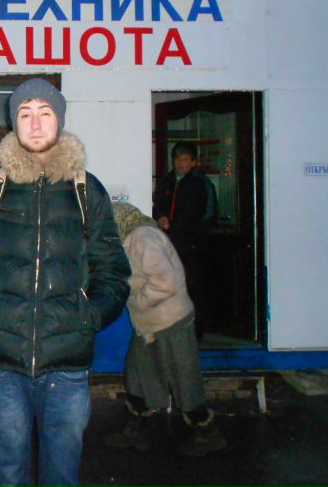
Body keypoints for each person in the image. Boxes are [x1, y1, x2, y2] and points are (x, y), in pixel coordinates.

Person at [0, 78, 131, 487]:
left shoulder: (86, 190)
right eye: (25, 113)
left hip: (67, 364)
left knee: (61, 475)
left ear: (59, 121)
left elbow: (113, 269)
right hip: (1, 363)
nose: (34, 123)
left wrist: (90, 316)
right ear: (14, 122)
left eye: (44, 113)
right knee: (6, 476)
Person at [105, 202, 226, 457]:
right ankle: (138, 429)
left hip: (171, 320)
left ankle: (207, 433)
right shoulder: (129, 237)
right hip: (149, 322)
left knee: (184, 378)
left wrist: (137, 301)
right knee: (138, 373)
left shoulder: (143, 237)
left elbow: (166, 282)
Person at [152, 141, 217, 340]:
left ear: (194, 162)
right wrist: (160, 217)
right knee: (171, 288)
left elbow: (210, 214)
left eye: (185, 159)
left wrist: (193, 237)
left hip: (193, 247)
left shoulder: (201, 184)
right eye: (177, 159)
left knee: (194, 288)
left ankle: (196, 332)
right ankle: (174, 331)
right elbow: (156, 205)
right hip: (169, 245)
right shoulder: (166, 182)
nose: (180, 163)